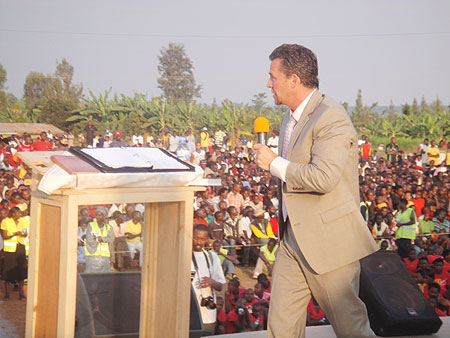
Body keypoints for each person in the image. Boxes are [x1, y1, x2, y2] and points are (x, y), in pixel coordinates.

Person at [253, 43, 377, 338]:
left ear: (293, 79)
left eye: (273, 76)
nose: (268, 83)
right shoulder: (289, 118)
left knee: (351, 328)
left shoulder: (331, 117)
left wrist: (275, 164)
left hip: (328, 243)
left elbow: (323, 177)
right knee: (281, 326)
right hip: (292, 239)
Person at [191, 224, 226, 334]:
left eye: (202, 239)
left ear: (207, 240)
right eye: (196, 238)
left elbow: (220, 286)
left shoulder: (212, 257)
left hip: (207, 314)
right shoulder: (182, 255)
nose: (198, 242)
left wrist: (212, 282)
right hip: (187, 313)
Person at [0, 207, 28, 299]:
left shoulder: (22, 221)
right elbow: (4, 236)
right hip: (10, 250)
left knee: (21, 271)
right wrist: (14, 234)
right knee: (8, 272)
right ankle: (7, 294)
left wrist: (23, 234)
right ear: (13, 214)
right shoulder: (5, 222)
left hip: (20, 247)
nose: (20, 214)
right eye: (18, 213)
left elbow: (26, 232)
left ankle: (21, 294)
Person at [85, 207, 114, 272]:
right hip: (92, 254)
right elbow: (89, 239)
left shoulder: (108, 227)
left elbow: (111, 239)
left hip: (104, 256)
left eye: (99, 215)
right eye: (96, 215)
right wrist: (99, 240)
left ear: (104, 216)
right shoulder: (91, 225)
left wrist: (102, 239)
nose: (97, 217)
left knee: (104, 277)